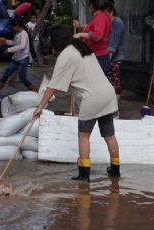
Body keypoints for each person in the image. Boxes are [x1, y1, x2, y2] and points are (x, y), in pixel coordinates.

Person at [33, 26, 120, 182]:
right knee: (109, 135)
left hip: (92, 99)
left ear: (56, 42)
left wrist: (40, 106)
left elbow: (52, 86)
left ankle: (84, 174)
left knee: (83, 136)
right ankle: (115, 170)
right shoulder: (83, 48)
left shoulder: (65, 56)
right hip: (108, 94)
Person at [0, 17, 38, 97]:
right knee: (5, 75)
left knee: (22, 78)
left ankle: (35, 89)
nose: (12, 28)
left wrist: (9, 50)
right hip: (16, 59)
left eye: (13, 27)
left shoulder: (24, 34)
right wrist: (5, 41)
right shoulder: (18, 34)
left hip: (23, 59)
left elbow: (22, 46)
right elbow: (15, 43)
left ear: (17, 26)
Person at [73, 0, 111, 75]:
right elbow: (91, 27)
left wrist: (80, 34)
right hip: (98, 56)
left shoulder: (99, 17)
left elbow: (98, 35)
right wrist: (80, 25)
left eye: (89, 5)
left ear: (91, 6)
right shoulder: (101, 16)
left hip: (98, 57)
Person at [105, 2, 125, 105]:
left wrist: (106, 61)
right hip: (109, 57)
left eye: (105, 13)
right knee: (109, 83)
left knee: (114, 83)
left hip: (114, 58)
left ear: (111, 12)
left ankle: (114, 110)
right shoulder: (110, 22)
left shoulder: (117, 23)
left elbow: (113, 46)